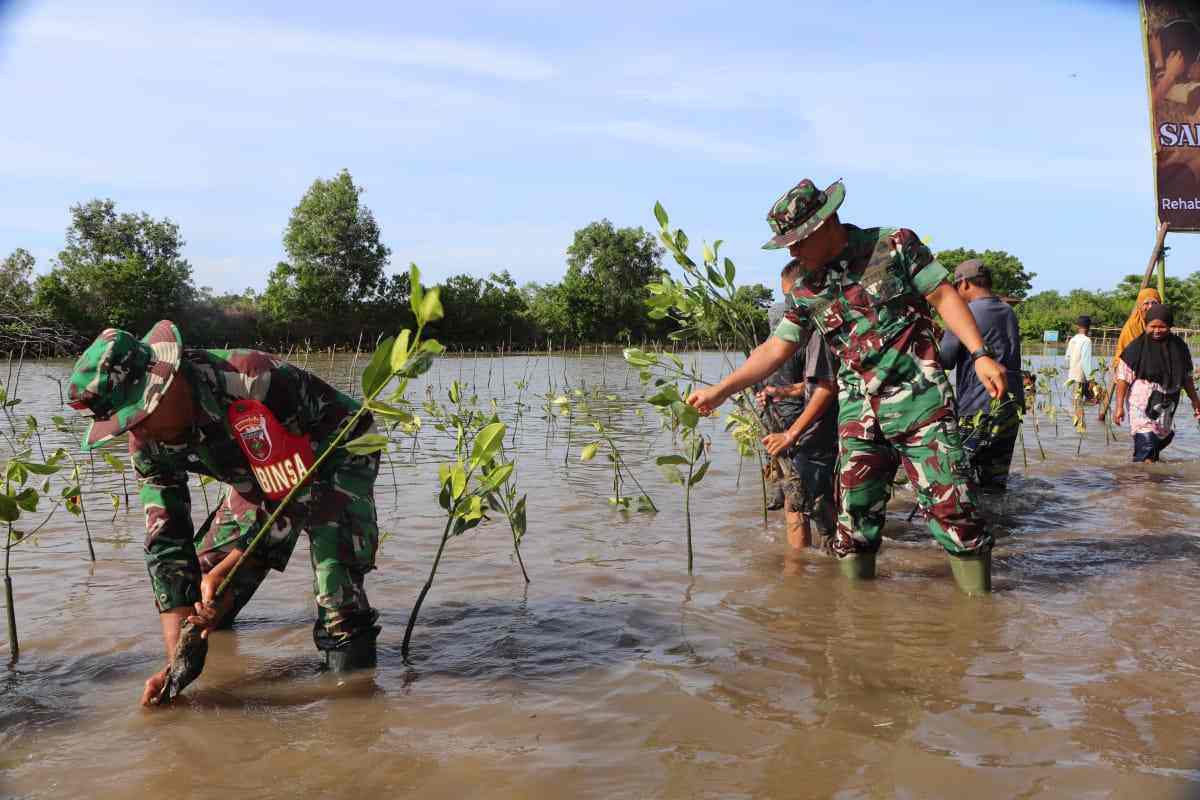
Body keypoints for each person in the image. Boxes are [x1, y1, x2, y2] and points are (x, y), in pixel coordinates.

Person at [687, 178, 1007, 594]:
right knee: (853, 523)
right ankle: (855, 624)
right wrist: (721, 389)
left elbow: (944, 295)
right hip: (859, 415)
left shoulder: (893, 245)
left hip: (920, 403)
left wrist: (979, 353)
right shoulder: (805, 290)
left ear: (824, 225)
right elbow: (775, 348)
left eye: (797, 241)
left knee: (955, 511)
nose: (792, 252)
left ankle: (979, 618)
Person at [66, 321, 382, 706]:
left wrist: (233, 567)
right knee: (202, 587)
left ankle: (353, 705)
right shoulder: (147, 443)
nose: (139, 433)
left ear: (168, 384)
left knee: (336, 592)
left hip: (335, 449)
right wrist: (179, 664)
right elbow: (166, 546)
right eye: (129, 425)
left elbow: (292, 493)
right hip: (257, 471)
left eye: (140, 417)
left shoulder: (253, 381)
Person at [756, 285, 839, 551]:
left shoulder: (766, 352)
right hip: (800, 433)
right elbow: (819, 386)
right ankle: (821, 555)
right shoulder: (799, 347)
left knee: (796, 501)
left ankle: (800, 563)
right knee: (809, 498)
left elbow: (817, 387)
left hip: (790, 432)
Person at [938, 259, 1024, 494]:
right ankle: (1000, 526)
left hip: (977, 408)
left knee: (957, 479)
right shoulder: (1007, 311)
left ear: (963, 284)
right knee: (994, 485)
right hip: (1010, 406)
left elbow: (945, 359)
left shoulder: (964, 313)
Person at [1113, 304, 1200, 462]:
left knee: (1157, 442)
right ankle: (1140, 482)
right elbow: (1123, 378)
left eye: (1162, 327)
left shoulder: (1179, 347)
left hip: (1168, 403)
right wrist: (1119, 407)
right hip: (1141, 403)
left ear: (1170, 326)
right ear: (1146, 325)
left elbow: (1187, 378)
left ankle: (1151, 480)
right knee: (1146, 442)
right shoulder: (1136, 348)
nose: (1157, 330)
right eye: (1152, 326)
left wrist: (1195, 401)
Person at [1101, 288, 1161, 422]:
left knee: (1157, 425)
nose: (1150, 307)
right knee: (1141, 423)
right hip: (1135, 379)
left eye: (1154, 303)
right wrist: (1119, 406)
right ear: (1140, 305)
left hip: (1159, 384)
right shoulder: (1132, 326)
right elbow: (1125, 367)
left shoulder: (1162, 325)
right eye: (1146, 303)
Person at [1065, 316, 1095, 402]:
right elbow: (1086, 362)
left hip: (1072, 377)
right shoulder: (1086, 340)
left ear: (1077, 326)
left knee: (1076, 401)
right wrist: (1091, 379)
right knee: (1079, 403)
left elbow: (1067, 357)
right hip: (1081, 377)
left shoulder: (1073, 339)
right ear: (1089, 327)